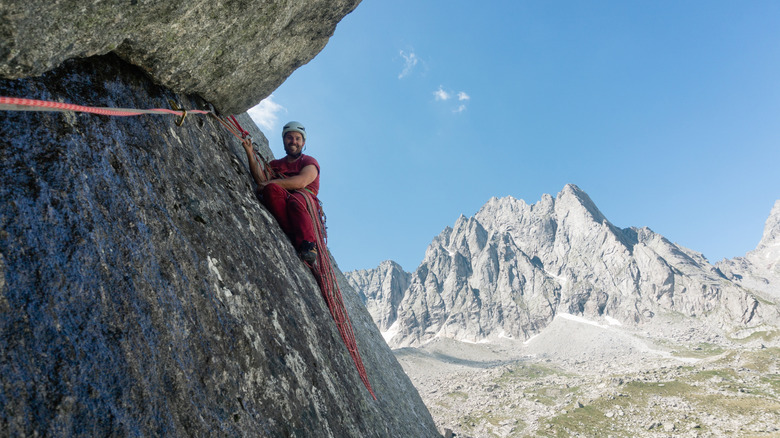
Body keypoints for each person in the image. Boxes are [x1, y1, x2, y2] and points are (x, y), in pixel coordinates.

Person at [242, 121, 320, 263]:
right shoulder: (275, 165)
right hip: (285, 207)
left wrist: (269, 182)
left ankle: (309, 245)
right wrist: (250, 154)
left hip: (303, 202)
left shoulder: (309, 162)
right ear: (284, 140)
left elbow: (301, 182)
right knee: (271, 190)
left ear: (303, 143)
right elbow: (261, 182)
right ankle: (291, 234)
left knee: (296, 200)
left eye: (297, 138)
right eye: (289, 137)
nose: (293, 141)